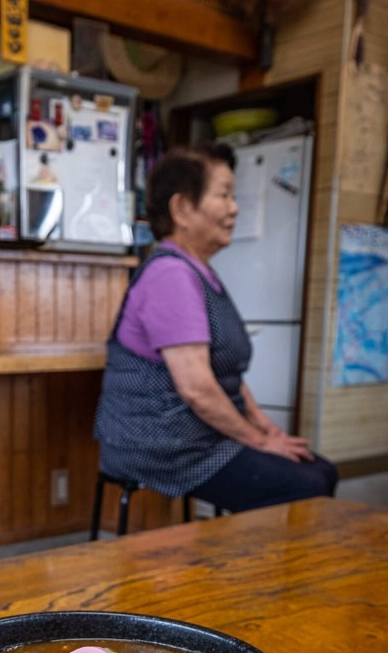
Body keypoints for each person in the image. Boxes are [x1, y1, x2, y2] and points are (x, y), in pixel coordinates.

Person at [94, 142, 337, 512]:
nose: (234, 208)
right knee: (307, 483)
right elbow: (197, 388)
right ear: (182, 209)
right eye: (223, 195)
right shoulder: (170, 275)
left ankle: (268, 567)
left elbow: (224, 371)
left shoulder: (198, 272)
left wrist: (262, 425)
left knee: (321, 472)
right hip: (160, 445)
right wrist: (257, 441)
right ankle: (252, 569)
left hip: (199, 437)